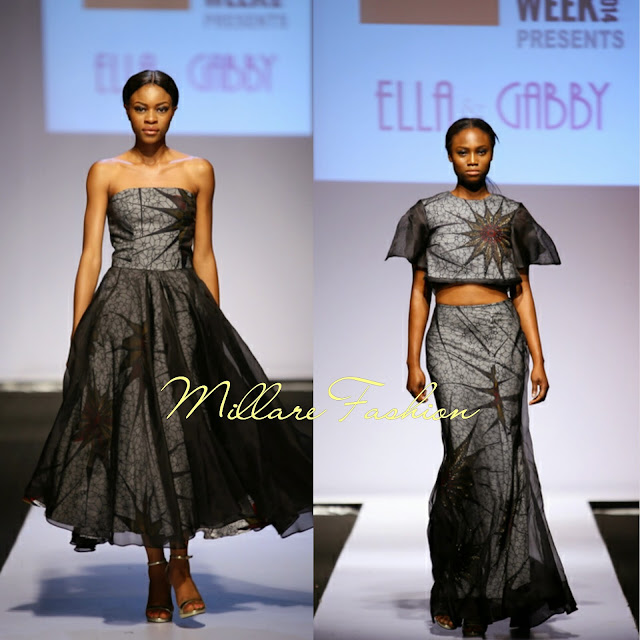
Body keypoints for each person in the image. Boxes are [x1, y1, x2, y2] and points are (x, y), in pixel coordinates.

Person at [23, 70, 312, 624]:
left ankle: (178, 563)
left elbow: (204, 252)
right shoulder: (105, 172)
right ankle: (160, 570)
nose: (150, 117)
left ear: (174, 111)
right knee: (136, 442)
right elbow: (90, 255)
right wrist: (79, 332)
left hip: (181, 310)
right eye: (140, 107)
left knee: (180, 436)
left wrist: (212, 327)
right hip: (121, 315)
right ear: (126, 111)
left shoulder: (197, 170)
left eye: (160, 108)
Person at [386, 118, 577, 637]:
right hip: (449, 340)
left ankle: (507, 589)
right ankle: (461, 590)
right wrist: (411, 361)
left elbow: (523, 291)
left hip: (503, 341)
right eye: (462, 151)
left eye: (481, 151)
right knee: (464, 465)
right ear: (448, 154)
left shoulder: (513, 214)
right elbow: (419, 291)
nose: (472, 160)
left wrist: (539, 358)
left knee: (506, 464)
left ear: (493, 153)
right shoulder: (427, 213)